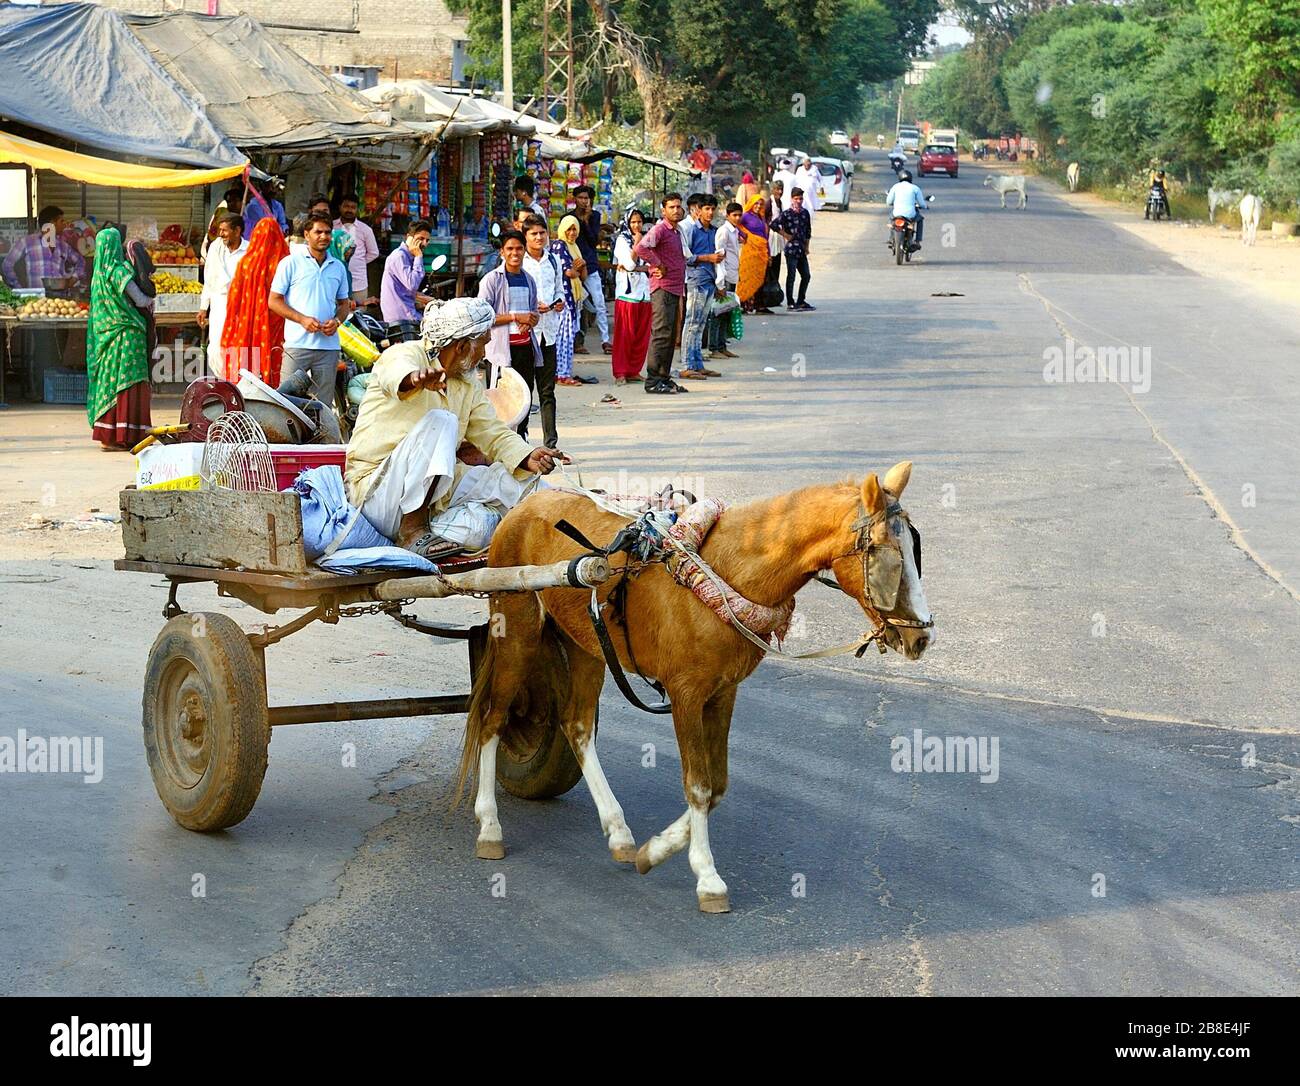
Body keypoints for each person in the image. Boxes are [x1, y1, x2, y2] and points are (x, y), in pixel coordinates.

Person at [345, 297, 569, 557]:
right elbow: (396, 372)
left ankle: (572, 509)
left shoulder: (467, 383)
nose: (485, 353)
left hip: (436, 496)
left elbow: (493, 433)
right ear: (462, 346)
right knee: (443, 421)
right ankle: (412, 531)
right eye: (483, 344)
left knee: (515, 486)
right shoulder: (406, 353)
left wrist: (528, 456)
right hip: (377, 494)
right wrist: (413, 379)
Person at [268, 211, 352, 404]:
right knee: (286, 402)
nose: (324, 237)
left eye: (328, 232)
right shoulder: (291, 263)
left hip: (328, 348)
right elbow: (274, 301)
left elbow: (344, 304)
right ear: (307, 235)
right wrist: (302, 320)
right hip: (297, 345)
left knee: (322, 406)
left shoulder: (338, 266)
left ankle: (321, 435)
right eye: (318, 232)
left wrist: (337, 321)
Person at [478, 228, 551, 445]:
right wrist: (514, 317)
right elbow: (483, 316)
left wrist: (530, 322)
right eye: (510, 248)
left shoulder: (528, 279)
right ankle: (501, 445)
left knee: (524, 398)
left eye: (519, 248)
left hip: (525, 348)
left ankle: (521, 441)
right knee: (500, 402)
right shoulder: (492, 280)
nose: (515, 253)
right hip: (500, 352)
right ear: (502, 252)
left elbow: (533, 314)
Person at [85, 227, 152, 451]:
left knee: (109, 385)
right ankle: (128, 434)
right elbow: (141, 300)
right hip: (127, 334)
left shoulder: (97, 276)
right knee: (129, 383)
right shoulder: (119, 271)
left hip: (105, 338)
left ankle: (108, 436)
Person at [633, 193, 690, 395]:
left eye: (678, 206)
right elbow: (641, 248)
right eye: (672, 207)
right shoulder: (660, 229)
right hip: (663, 287)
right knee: (661, 334)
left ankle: (664, 378)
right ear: (663, 211)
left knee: (670, 335)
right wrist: (657, 264)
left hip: (675, 287)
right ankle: (653, 380)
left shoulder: (676, 231)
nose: (676, 210)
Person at [520, 216, 564, 444]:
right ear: (526, 236)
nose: (539, 237)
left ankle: (551, 443)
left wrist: (558, 303)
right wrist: (532, 306)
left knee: (547, 392)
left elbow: (560, 290)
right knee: (524, 392)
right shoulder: (519, 262)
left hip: (549, 333)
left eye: (542, 233)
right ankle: (521, 442)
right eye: (533, 234)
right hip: (527, 335)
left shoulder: (554, 261)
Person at [198, 212, 248, 378]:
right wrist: (203, 307)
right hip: (219, 304)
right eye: (220, 230)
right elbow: (209, 278)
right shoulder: (215, 248)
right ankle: (224, 380)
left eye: (225, 230)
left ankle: (236, 384)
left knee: (238, 346)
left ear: (237, 230)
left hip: (241, 306)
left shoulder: (249, 251)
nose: (221, 234)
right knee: (215, 348)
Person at [680, 194, 723, 380]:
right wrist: (707, 257)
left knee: (701, 324)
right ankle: (687, 365)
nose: (710, 212)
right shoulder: (691, 230)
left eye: (712, 209)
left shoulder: (714, 231)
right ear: (699, 210)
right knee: (691, 323)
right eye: (706, 209)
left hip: (710, 279)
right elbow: (686, 256)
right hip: (696, 280)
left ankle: (697, 364)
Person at [611, 206, 651, 386]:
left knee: (641, 335)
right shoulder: (622, 240)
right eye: (633, 222)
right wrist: (637, 243)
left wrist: (643, 267)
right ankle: (620, 371)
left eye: (639, 222)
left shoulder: (648, 238)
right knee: (625, 335)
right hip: (628, 294)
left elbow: (653, 263)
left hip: (644, 293)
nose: (636, 225)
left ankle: (634, 370)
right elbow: (628, 264)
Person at [2, 205, 85, 287]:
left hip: (60, 298)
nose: (64, 225)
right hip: (36, 298)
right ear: (52, 223)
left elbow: (81, 262)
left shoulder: (63, 245)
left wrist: (73, 279)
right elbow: (7, 265)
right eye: (61, 221)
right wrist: (18, 288)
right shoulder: (27, 242)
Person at [572, 185, 611, 355]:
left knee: (599, 303)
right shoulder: (569, 218)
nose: (583, 201)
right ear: (575, 199)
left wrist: (586, 221)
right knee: (576, 305)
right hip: (574, 266)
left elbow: (593, 240)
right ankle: (577, 341)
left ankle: (606, 340)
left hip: (591, 265)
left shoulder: (594, 216)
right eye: (580, 197)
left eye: (586, 198)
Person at [380, 219, 435, 340]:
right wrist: (419, 256)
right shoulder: (399, 256)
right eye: (420, 239)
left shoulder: (409, 256)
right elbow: (412, 284)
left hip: (408, 313)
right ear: (409, 237)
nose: (424, 244)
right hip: (401, 319)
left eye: (427, 240)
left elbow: (407, 290)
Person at [549, 218, 583, 387]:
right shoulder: (559, 245)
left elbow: (581, 273)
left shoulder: (574, 247)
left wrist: (579, 268)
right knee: (563, 338)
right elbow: (569, 272)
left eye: (574, 229)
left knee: (567, 338)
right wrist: (578, 268)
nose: (572, 233)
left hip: (571, 299)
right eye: (569, 229)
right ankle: (561, 374)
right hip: (563, 298)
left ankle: (562, 373)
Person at [709, 201, 744, 360]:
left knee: (726, 312)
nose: (737, 218)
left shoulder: (735, 231)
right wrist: (720, 282)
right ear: (728, 215)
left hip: (732, 275)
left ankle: (722, 345)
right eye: (734, 215)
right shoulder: (723, 231)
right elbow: (719, 256)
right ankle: (714, 347)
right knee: (718, 313)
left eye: (739, 215)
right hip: (724, 277)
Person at [772, 187, 814, 311]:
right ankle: (790, 302)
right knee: (791, 276)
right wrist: (786, 235)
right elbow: (773, 225)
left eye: (800, 198)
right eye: (796, 198)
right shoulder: (787, 214)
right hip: (791, 250)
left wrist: (807, 247)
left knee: (806, 275)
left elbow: (808, 231)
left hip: (801, 249)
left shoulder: (805, 213)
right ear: (792, 199)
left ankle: (801, 300)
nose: (798, 201)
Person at [334, 195, 379, 305]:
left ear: (357, 209)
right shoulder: (332, 227)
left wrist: (359, 262)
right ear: (340, 207)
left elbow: (374, 253)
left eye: (353, 207)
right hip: (335, 280)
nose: (349, 210)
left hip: (358, 282)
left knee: (358, 316)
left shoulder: (365, 230)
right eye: (346, 206)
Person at [738, 194, 770, 313]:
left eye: (761, 204)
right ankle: (744, 304)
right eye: (756, 203)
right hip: (750, 251)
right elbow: (736, 224)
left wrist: (769, 253)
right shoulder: (745, 216)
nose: (758, 206)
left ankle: (757, 305)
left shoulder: (761, 218)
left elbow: (765, 237)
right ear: (751, 204)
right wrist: (745, 235)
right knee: (747, 276)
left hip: (761, 252)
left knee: (759, 278)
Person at [885, 168, 927, 251]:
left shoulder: (895, 187)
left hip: (897, 213)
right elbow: (922, 204)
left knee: (891, 219)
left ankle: (891, 238)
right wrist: (925, 206)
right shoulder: (915, 188)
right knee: (920, 219)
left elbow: (888, 202)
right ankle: (917, 241)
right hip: (910, 214)